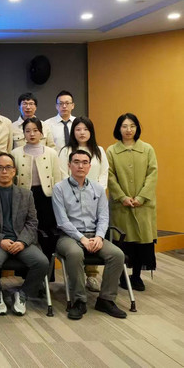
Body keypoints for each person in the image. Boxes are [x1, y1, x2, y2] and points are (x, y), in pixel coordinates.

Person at [53, 150, 128, 320]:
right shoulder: (59, 188)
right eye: (76, 162)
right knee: (75, 253)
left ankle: (106, 300)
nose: (80, 166)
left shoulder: (98, 188)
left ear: (89, 166)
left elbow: (104, 217)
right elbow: (62, 221)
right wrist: (82, 239)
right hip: (69, 237)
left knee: (117, 254)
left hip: (94, 235)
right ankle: (79, 301)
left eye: (85, 162)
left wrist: (99, 237)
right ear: (69, 165)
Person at [0, 153, 49, 316]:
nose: (4, 171)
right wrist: (0, 240)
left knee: (42, 262)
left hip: (21, 241)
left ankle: (22, 295)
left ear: (14, 171)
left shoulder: (26, 194)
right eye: (0, 167)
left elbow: (32, 222)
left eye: (8, 167)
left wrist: (22, 241)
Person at [107, 113, 158, 292]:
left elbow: (152, 174)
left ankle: (136, 276)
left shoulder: (147, 149)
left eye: (132, 126)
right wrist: (122, 197)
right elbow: (110, 176)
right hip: (121, 205)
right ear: (118, 129)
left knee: (141, 242)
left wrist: (141, 197)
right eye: (124, 126)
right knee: (122, 242)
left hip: (143, 205)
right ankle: (122, 276)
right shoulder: (111, 151)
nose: (128, 130)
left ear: (137, 128)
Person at [58, 116, 109, 292]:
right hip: (72, 197)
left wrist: (97, 191)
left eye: (86, 129)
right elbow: (62, 173)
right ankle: (76, 281)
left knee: (94, 233)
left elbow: (104, 173)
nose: (82, 132)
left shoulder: (99, 150)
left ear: (91, 132)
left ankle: (92, 276)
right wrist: (72, 192)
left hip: (94, 197)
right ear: (73, 132)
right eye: (78, 129)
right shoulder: (66, 150)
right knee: (77, 238)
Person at [10, 117, 63, 267]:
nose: (32, 134)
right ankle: (26, 273)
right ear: (23, 133)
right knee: (24, 233)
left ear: (41, 133)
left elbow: (57, 179)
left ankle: (48, 274)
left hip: (46, 198)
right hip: (23, 198)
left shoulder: (51, 153)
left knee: (46, 234)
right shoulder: (15, 153)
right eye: (28, 131)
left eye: (35, 130)